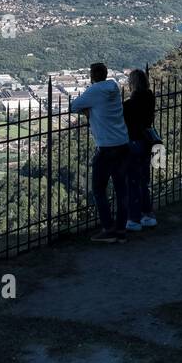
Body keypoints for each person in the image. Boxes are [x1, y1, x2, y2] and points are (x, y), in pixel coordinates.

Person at [69, 63, 130, 242]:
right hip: (123, 143)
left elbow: (73, 106)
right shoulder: (114, 87)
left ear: (92, 76)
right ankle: (121, 230)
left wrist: (87, 112)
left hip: (106, 146)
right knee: (121, 189)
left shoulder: (94, 91)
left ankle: (108, 229)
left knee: (98, 188)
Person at [122, 68, 157, 231]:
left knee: (133, 182)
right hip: (148, 142)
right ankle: (148, 215)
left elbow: (125, 121)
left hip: (134, 142)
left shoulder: (130, 104)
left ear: (132, 83)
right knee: (144, 181)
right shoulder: (150, 97)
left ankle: (134, 219)